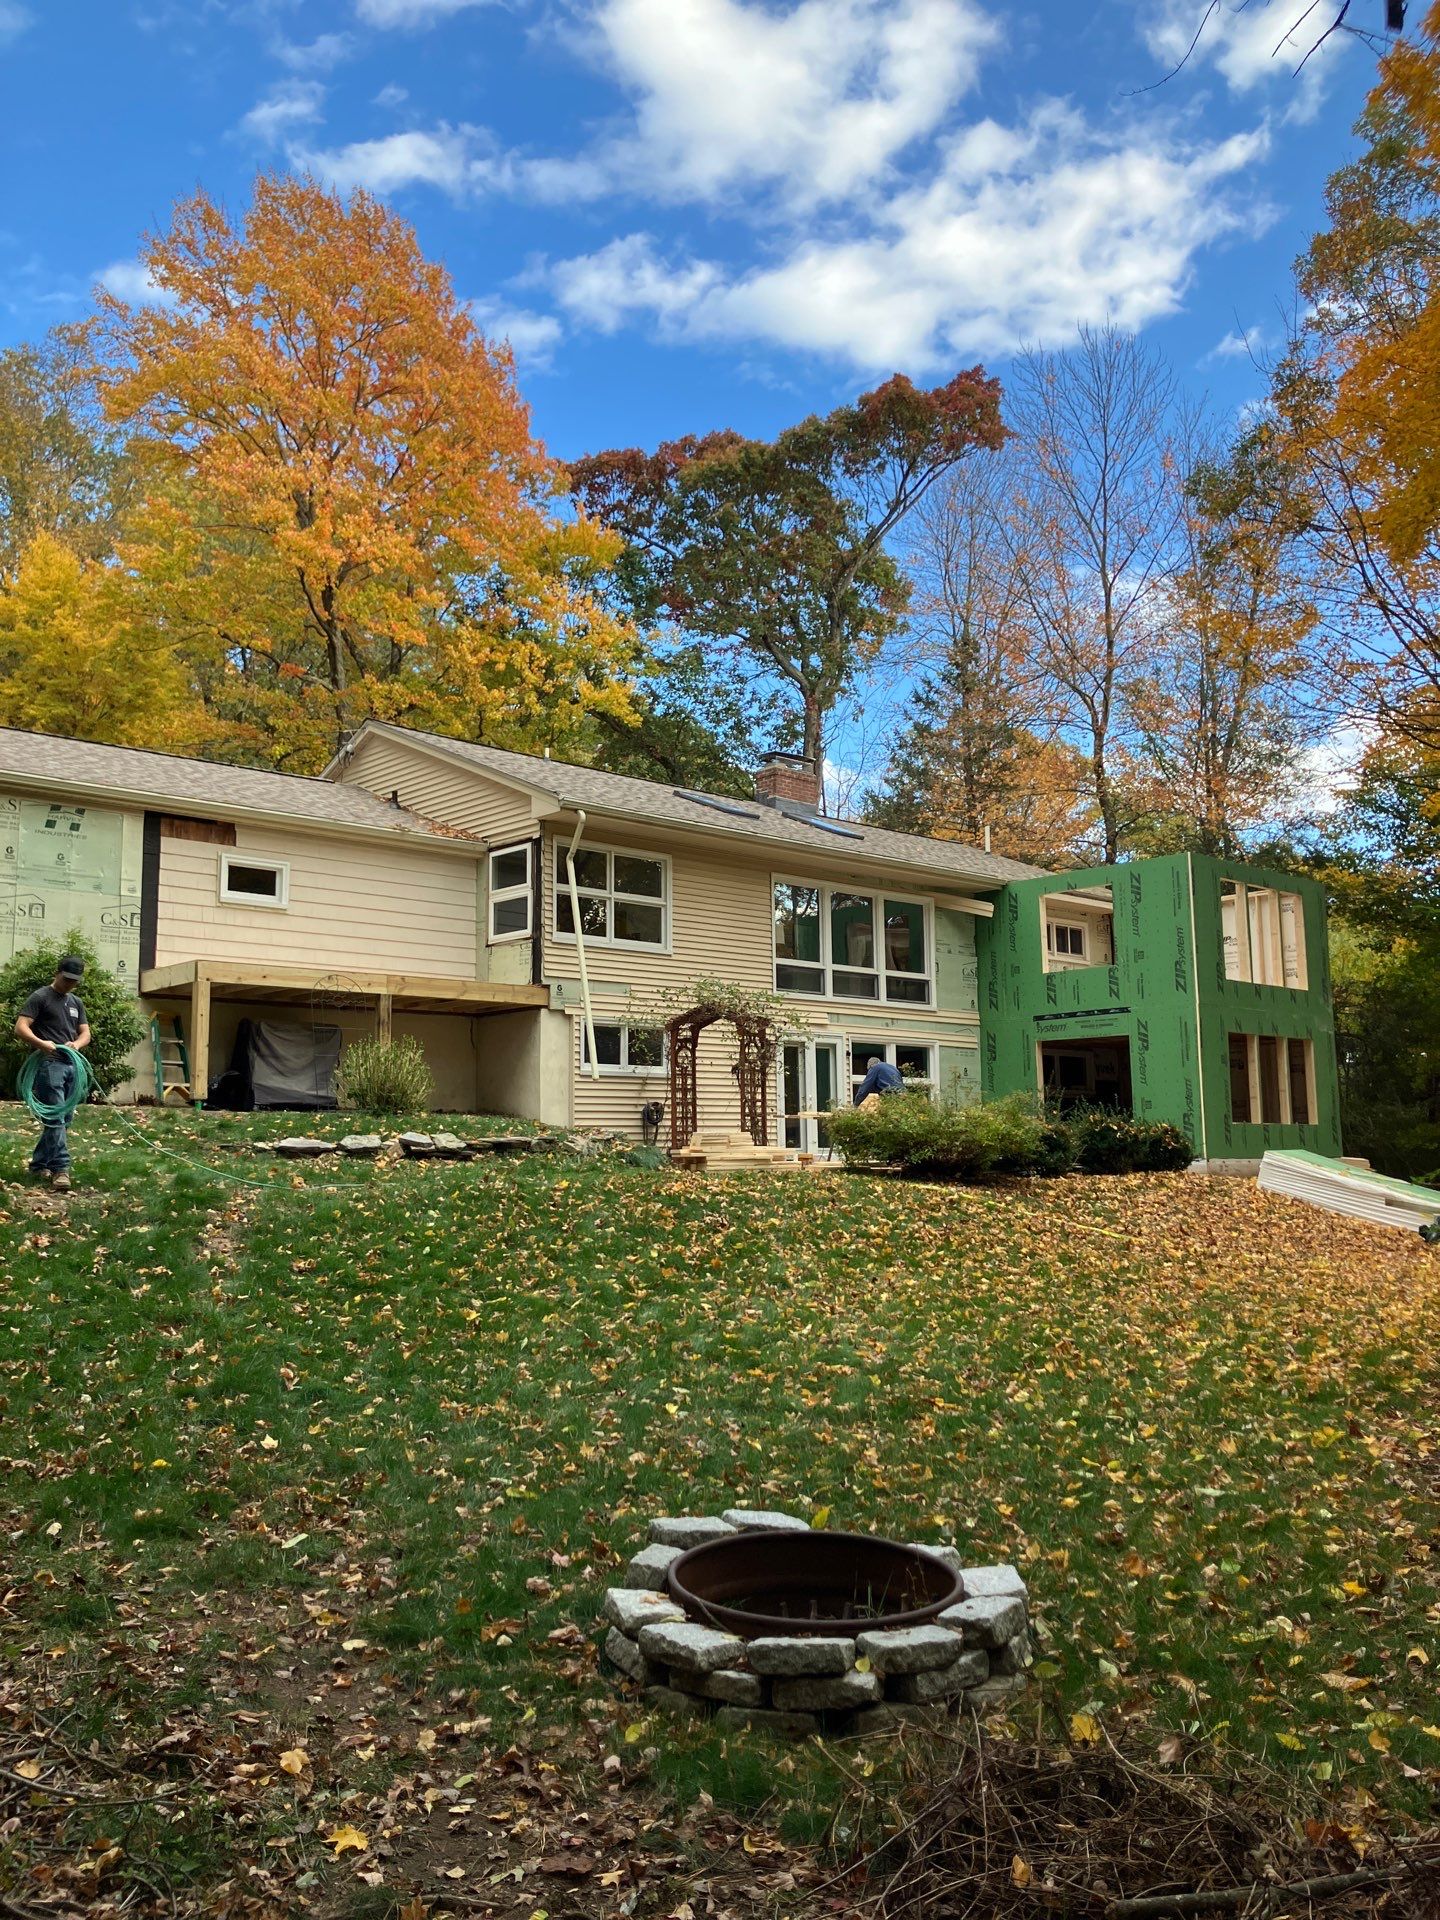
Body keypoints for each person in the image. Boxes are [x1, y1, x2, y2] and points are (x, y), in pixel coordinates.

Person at [14, 956, 92, 1192]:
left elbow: (85, 1032)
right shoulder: (40, 997)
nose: (69, 984)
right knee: (56, 1117)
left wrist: (76, 1045)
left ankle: (39, 1164)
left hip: (71, 1065)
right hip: (50, 1065)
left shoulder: (76, 1002)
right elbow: (21, 1027)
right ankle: (61, 1169)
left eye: (74, 981)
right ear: (57, 973)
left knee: (63, 1120)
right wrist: (42, 1044)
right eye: (66, 979)